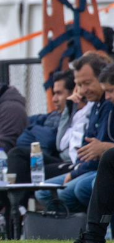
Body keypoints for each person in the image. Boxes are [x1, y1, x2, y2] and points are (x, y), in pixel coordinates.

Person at [35, 53, 113, 212]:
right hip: (85, 167)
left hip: (95, 169)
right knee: (43, 191)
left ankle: (89, 229)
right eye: (79, 85)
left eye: (87, 83)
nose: (83, 90)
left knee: (78, 190)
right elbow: (72, 145)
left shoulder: (107, 105)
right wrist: (70, 109)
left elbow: (99, 154)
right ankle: (74, 231)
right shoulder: (94, 105)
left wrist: (76, 173)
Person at [56, 62, 114, 243]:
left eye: (112, 91)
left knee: (107, 159)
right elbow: (69, 145)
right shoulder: (101, 107)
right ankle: (93, 240)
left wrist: (106, 147)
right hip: (84, 167)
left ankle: (95, 239)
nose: (108, 97)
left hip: (89, 169)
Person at [8, 70, 89, 184]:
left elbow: (52, 141)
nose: (54, 99)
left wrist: (34, 131)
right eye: (53, 93)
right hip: (59, 160)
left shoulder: (87, 112)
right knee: (16, 160)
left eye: (59, 93)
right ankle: (12, 201)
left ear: (73, 92)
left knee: (21, 159)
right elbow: (57, 142)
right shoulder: (57, 114)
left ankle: (15, 202)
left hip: (73, 163)